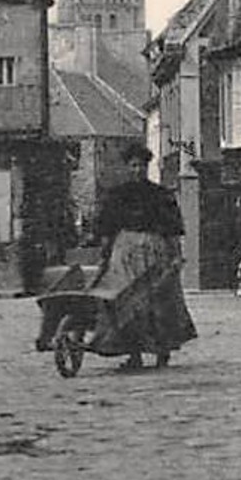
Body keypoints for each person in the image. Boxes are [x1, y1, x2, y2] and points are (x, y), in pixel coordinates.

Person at [89, 142, 197, 370]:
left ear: (147, 167)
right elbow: (107, 230)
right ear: (127, 167)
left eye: (141, 166)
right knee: (127, 303)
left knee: (159, 301)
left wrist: (176, 256)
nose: (137, 170)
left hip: (155, 252)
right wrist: (105, 258)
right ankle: (134, 354)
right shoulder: (117, 195)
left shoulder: (159, 195)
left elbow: (172, 230)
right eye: (133, 166)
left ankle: (162, 351)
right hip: (125, 254)